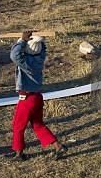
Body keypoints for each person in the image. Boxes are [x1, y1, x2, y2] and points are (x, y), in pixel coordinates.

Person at [8, 31, 65, 161]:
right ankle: (58, 146)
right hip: (37, 97)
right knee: (38, 124)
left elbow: (14, 55)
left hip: (27, 98)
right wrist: (40, 41)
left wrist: (22, 40)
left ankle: (19, 153)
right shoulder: (40, 58)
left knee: (18, 125)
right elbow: (43, 49)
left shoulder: (25, 63)